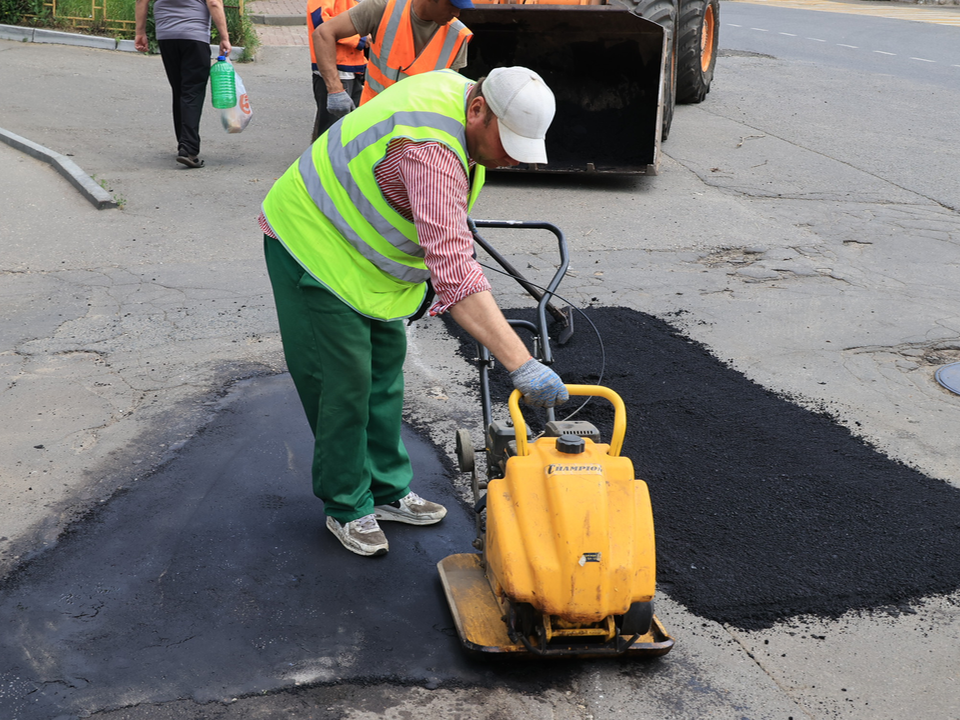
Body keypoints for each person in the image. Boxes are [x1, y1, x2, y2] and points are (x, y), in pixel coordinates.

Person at [259, 67, 568, 558]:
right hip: (313, 242)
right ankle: (346, 505)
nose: (510, 158)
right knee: (343, 383)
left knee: (384, 372)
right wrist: (521, 363)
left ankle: (386, 491)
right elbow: (454, 274)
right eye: (506, 143)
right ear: (478, 109)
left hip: (366, 262)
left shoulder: (457, 94)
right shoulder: (428, 151)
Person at [313, 0, 473, 121]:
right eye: (452, 5)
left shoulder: (457, 36)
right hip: (372, 120)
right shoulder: (384, 8)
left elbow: (447, 94)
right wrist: (335, 90)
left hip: (416, 134)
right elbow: (323, 33)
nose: (456, 13)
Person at [135, 0, 232, 168]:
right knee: (192, 91)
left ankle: (184, 142)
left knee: (179, 89)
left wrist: (140, 31)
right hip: (194, 36)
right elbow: (214, 3)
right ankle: (188, 149)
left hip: (167, 36)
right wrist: (224, 37)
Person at [307, 0, 368, 142]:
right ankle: (320, 161)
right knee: (332, 131)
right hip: (336, 69)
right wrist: (361, 39)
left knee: (341, 128)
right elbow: (323, 24)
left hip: (350, 69)